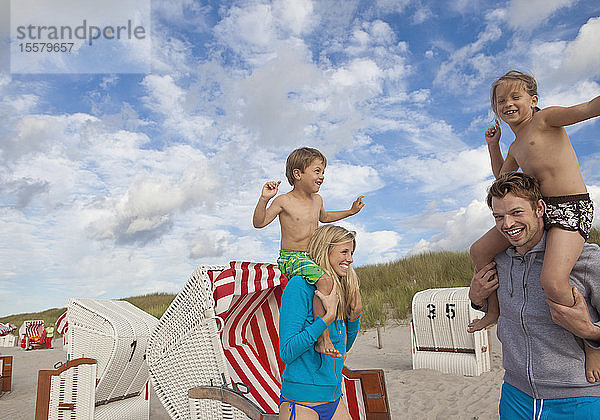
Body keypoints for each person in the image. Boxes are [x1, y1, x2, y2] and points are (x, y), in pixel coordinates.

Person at [468, 71, 600, 341]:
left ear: (533, 100)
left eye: (516, 96)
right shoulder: (516, 146)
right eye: (501, 100)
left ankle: (589, 341)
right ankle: (493, 311)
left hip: (570, 207)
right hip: (536, 210)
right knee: (479, 250)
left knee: (551, 282)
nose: (508, 103)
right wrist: (493, 146)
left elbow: (587, 108)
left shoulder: (545, 119)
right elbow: (502, 179)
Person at [469, 172, 600, 418]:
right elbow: (499, 310)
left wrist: (591, 333)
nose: (507, 224)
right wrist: (477, 299)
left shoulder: (585, 259)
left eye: (516, 213)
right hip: (515, 394)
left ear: (540, 208)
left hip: (578, 396)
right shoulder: (498, 260)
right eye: (499, 217)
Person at [253, 147, 364, 358]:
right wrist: (264, 199)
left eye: (323, 172)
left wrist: (350, 211)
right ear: (298, 174)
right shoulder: (283, 201)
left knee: (346, 279)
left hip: (313, 257)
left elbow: (325, 217)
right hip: (292, 258)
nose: (322, 176)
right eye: (317, 171)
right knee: (324, 280)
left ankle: (344, 323)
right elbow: (259, 223)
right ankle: (322, 337)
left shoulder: (318, 200)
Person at [278, 224, 362, 420]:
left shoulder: (339, 288)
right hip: (301, 403)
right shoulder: (299, 286)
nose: (350, 259)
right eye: (344, 251)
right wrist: (326, 319)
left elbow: (343, 348)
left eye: (351, 252)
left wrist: (355, 315)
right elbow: (287, 352)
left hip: (333, 398)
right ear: (326, 250)